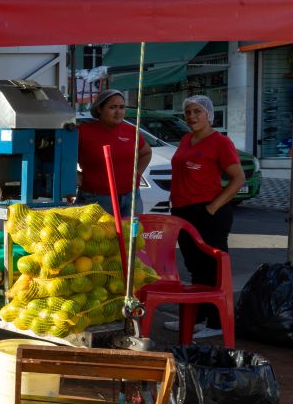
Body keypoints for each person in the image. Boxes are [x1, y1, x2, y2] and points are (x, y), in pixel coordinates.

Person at [163, 95, 244, 340]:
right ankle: (195, 318)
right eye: (188, 112)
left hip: (208, 212)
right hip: (183, 210)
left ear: (209, 114)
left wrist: (212, 207)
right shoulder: (187, 139)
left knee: (213, 268)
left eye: (197, 111)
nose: (192, 116)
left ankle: (216, 321)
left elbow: (238, 178)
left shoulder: (220, 142)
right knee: (194, 266)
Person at [77, 89, 152, 217]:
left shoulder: (131, 131)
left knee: (132, 236)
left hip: (131, 196)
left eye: (122, 107)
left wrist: (137, 175)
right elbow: (61, 158)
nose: (118, 112)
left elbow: (146, 153)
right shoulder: (83, 132)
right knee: (99, 237)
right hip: (96, 198)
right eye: (113, 107)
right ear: (99, 109)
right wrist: (74, 174)